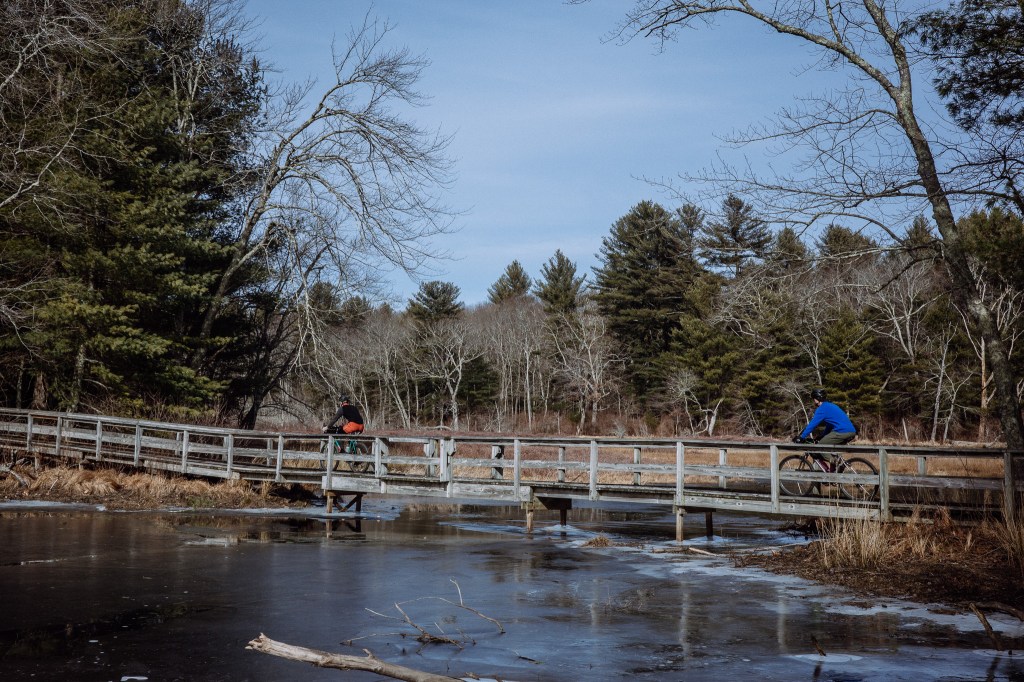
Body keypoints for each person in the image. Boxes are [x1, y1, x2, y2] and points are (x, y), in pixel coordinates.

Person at [793, 389, 856, 469]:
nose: (813, 401)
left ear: (817, 399)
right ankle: (833, 476)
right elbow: (830, 426)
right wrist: (822, 436)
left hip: (842, 432)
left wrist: (802, 437)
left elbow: (812, 424)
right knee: (831, 451)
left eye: (814, 399)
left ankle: (837, 462)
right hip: (851, 432)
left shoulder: (822, 409)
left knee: (820, 447)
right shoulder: (830, 406)